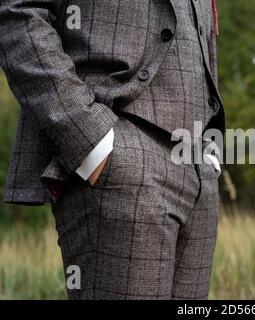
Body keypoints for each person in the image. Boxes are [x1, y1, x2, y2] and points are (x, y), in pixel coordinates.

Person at [0, 0, 225, 300]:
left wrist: (210, 150)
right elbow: (18, 11)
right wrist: (90, 141)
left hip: (199, 166)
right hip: (120, 157)